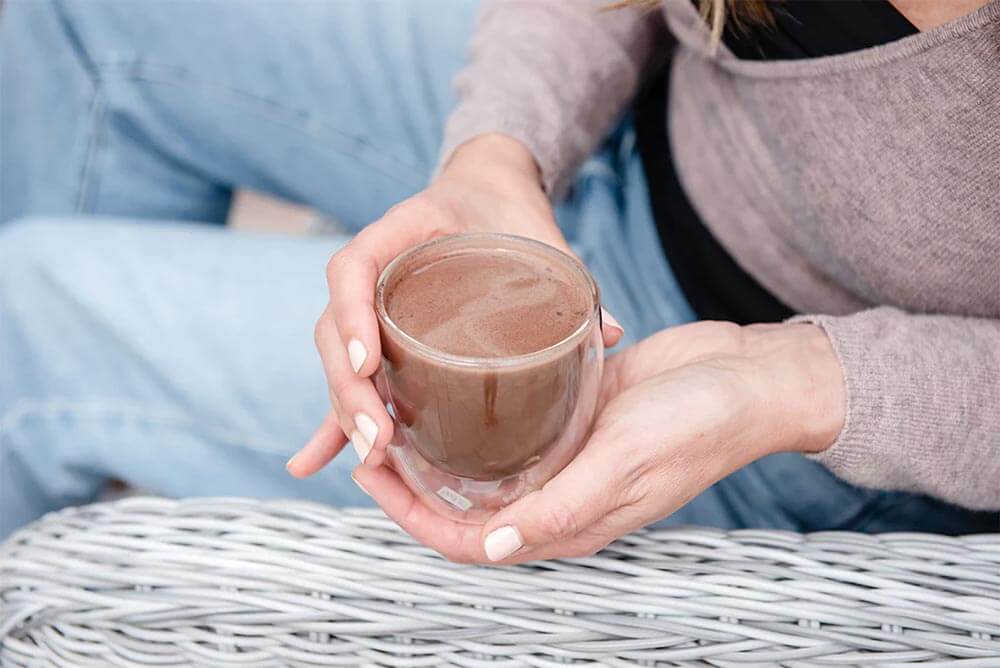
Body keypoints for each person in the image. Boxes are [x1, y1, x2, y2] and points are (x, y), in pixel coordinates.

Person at [1, 0, 997, 561]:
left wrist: (800, 382)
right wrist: (496, 154)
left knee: (28, 322)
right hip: (627, 148)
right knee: (85, 17)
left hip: (795, 416)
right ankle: (101, 563)